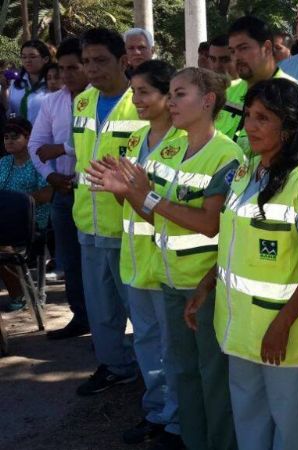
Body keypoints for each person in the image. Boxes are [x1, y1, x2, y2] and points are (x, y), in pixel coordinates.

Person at [96, 67, 241, 450]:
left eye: (180, 94)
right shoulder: (171, 149)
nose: (171, 102)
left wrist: (148, 196)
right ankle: (191, 440)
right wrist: (125, 192)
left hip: (203, 283)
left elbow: (210, 224)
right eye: (172, 94)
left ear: (208, 101)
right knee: (183, 374)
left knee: (212, 377)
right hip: (169, 277)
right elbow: (155, 213)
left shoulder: (227, 153)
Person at [187, 78, 298, 450]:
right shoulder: (245, 172)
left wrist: (282, 326)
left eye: (264, 118)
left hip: (287, 338)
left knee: (293, 431)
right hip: (240, 332)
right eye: (249, 116)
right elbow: (235, 244)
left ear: (289, 126)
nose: (251, 126)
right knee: (250, 425)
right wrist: (206, 285)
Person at [86, 60, 184, 450]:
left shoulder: (183, 145)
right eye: (134, 91)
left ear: (166, 96)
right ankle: (159, 411)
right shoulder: (135, 140)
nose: (136, 99)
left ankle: (177, 421)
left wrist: (130, 192)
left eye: (144, 92)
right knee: (146, 341)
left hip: (168, 262)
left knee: (171, 347)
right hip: (137, 259)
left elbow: (165, 208)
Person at [72, 28, 148, 396]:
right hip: (89, 220)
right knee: (100, 305)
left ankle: (157, 380)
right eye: (86, 62)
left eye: (100, 61)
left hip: (129, 224)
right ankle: (116, 365)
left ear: (123, 61)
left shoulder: (143, 103)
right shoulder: (82, 102)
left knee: (142, 311)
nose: (92, 69)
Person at [28, 38, 90, 340]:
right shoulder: (52, 101)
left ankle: (109, 328)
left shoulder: (103, 100)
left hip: (94, 191)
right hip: (63, 192)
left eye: (73, 68)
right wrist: (51, 177)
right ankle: (81, 317)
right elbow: (36, 145)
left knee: (101, 264)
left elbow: (99, 143)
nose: (66, 75)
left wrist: (62, 149)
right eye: (62, 68)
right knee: (70, 260)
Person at [219, 16, 298, 163]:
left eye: (243, 48)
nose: (237, 57)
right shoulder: (227, 93)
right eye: (232, 51)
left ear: (266, 47)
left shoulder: (293, 95)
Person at [0, 118, 51, 312]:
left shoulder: (38, 162)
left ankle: (17, 294)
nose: (9, 141)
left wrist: (17, 203)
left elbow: (47, 194)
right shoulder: (3, 163)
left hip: (31, 224)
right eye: (6, 137)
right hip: (4, 222)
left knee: (3, 245)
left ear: (28, 138)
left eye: (15, 137)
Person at [3, 40, 52, 122]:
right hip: (19, 133)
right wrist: (4, 90)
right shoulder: (14, 83)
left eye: (32, 57)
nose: (27, 60)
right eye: (24, 57)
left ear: (45, 59)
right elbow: (7, 111)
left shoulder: (54, 84)